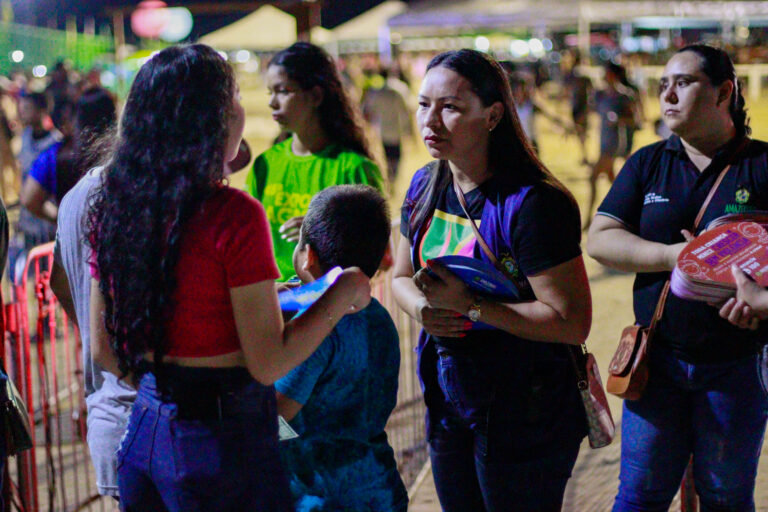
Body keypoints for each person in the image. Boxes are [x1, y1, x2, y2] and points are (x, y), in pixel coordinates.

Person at [87, 44, 372, 511]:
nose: (244, 108)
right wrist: (341, 293)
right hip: (222, 442)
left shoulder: (119, 207)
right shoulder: (233, 215)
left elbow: (103, 349)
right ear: (211, 117)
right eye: (236, 95)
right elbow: (268, 362)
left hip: (144, 432)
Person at [392, 49, 591, 511]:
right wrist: (424, 310)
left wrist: (471, 308)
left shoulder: (535, 204)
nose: (432, 121)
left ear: (493, 115)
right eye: (424, 104)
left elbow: (570, 322)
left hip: (527, 406)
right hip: (448, 397)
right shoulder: (425, 184)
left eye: (451, 107)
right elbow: (402, 275)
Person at [587, 44, 768, 511]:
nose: (667, 93)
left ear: (724, 91)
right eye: (663, 83)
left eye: (683, 82)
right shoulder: (649, 163)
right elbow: (600, 239)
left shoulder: (762, 166)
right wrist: (675, 256)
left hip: (738, 368)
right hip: (657, 365)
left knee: (727, 497)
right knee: (639, 497)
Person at [276, 184, 408, 512]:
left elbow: (274, 415)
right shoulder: (380, 319)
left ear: (308, 256)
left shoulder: (313, 331)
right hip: (378, 486)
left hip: (320, 497)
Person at [246, 42, 383, 281]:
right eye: (271, 92)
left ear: (316, 95)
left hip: (332, 308)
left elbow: (377, 258)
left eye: (284, 91)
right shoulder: (265, 165)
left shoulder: (353, 169)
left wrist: (321, 236)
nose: (272, 102)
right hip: (275, 307)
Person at [50, 164, 136, 500]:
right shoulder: (144, 194)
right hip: (148, 419)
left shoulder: (75, 195)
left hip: (109, 419)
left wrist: (89, 328)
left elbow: (57, 279)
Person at [21, 87, 116, 224]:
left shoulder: (54, 155)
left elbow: (29, 199)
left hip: (72, 237)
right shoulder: (125, 153)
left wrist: (59, 219)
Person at [584, 62, 637, 229]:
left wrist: (618, 120)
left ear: (613, 75)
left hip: (614, 144)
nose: (603, 76)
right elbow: (592, 111)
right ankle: (630, 212)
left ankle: (589, 219)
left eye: (606, 73)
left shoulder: (624, 96)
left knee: (593, 178)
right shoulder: (600, 95)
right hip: (603, 142)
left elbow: (633, 121)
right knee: (613, 182)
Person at [362, 67, 413, 189]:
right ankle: (393, 177)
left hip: (383, 130)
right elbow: (406, 110)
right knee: (397, 155)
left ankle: (391, 176)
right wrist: (408, 129)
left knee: (388, 154)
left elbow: (368, 110)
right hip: (397, 129)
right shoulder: (398, 91)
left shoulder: (377, 93)